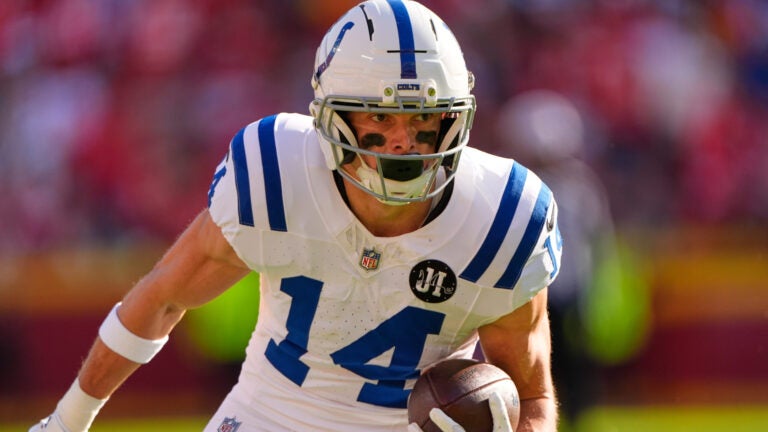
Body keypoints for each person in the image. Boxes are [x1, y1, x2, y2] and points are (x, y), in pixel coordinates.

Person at [30, 1, 562, 431]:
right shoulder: (277, 174)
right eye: (380, 116)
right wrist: (67, 420)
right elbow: (163, 295)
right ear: (333, 118)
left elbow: (534, 396)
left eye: (424, 118)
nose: (403, 141)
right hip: (269, 416)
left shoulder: (504, 218)